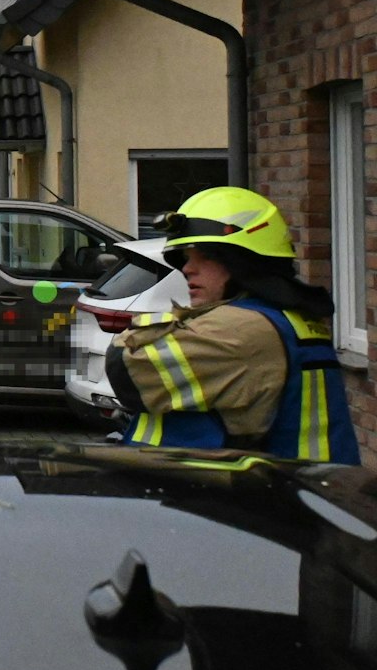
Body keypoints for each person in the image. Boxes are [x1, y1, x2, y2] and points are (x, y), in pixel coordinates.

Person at [106, 186, 359, 463]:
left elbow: (125, 368)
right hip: (303, 490)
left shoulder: (242, 328)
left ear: (243, 263)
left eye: (206, 256)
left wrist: (173, 322)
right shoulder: (286, 318)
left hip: (253, 496)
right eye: (187, 259)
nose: (188, 269)